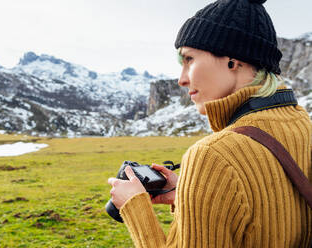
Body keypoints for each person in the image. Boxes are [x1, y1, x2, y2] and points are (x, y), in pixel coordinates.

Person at [107, 0, 312, 247]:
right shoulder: (303, 124)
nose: (182, 80)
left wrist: (134, 207)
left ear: (234, 61)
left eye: (189, 60)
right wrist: (200, 193)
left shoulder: (213, 156)